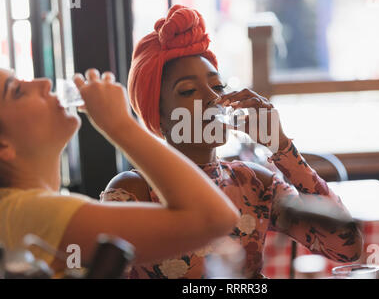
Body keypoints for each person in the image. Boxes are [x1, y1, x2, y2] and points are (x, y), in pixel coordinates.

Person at [102, 4, 363, 279]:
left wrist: (282, 146)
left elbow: (347, 248)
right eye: (188, 90)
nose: (213, 99)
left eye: (217, 86)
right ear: (160, 117)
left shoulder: (254, 183)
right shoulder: (134, 192)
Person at [0, 67, 239, 276]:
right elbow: (215, 218)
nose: (44, 83)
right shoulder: (28, 212)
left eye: (218, 85)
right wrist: (119, 124)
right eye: (17, 91)